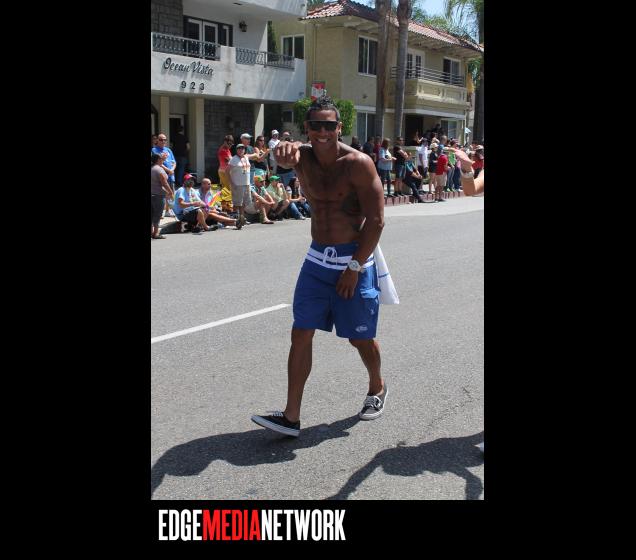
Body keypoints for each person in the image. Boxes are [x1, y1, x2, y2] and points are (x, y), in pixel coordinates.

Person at [251, 96, 388, 437]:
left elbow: (376, 221)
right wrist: (279, 152)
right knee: (301, 332)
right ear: (307, 128)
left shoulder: (358, 164)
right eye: (316, 125)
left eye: (329, 125)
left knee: (360, 338)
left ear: (339, 128)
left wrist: (354, 267)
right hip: (317, 259)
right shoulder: (303, 158)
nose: (323, 132)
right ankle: (291, 416)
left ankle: (377, 387)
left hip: (354, 260)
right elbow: (283, 155)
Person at [152, 133, 177, 217]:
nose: (163, 141)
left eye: (165, 140)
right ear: (157, 140)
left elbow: (174, 162)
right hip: (161, 175)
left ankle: (167, 211)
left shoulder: (168, 150)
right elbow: (157, 162)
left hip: (171, 175)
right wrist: (168, 170)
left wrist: (172, 170)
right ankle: (159, 212)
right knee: (161, 194)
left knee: (170, 193)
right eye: (161, 139)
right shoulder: (154, 150)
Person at [228, 143, 251, 229]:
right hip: (238, 184)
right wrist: (231, 183)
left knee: (243, 203)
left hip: (246, 183)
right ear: (236, 150)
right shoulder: (233, 159)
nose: (241, 150)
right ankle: (234, 220)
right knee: (237, 203)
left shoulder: (246, 157)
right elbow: (226, 171)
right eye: (239, 148)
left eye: (243, 148)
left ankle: (242, 218)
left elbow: (256, 156)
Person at [151, 152, 174, 239]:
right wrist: (170, 192)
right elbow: (164, 183)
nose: (163, 159)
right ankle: (156, 233)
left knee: (152, 214)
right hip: (158, 195)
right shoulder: (159, 170)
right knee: (157, 214)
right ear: (158, 160)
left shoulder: (152, 168)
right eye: (161, 158)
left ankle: (152, 232)